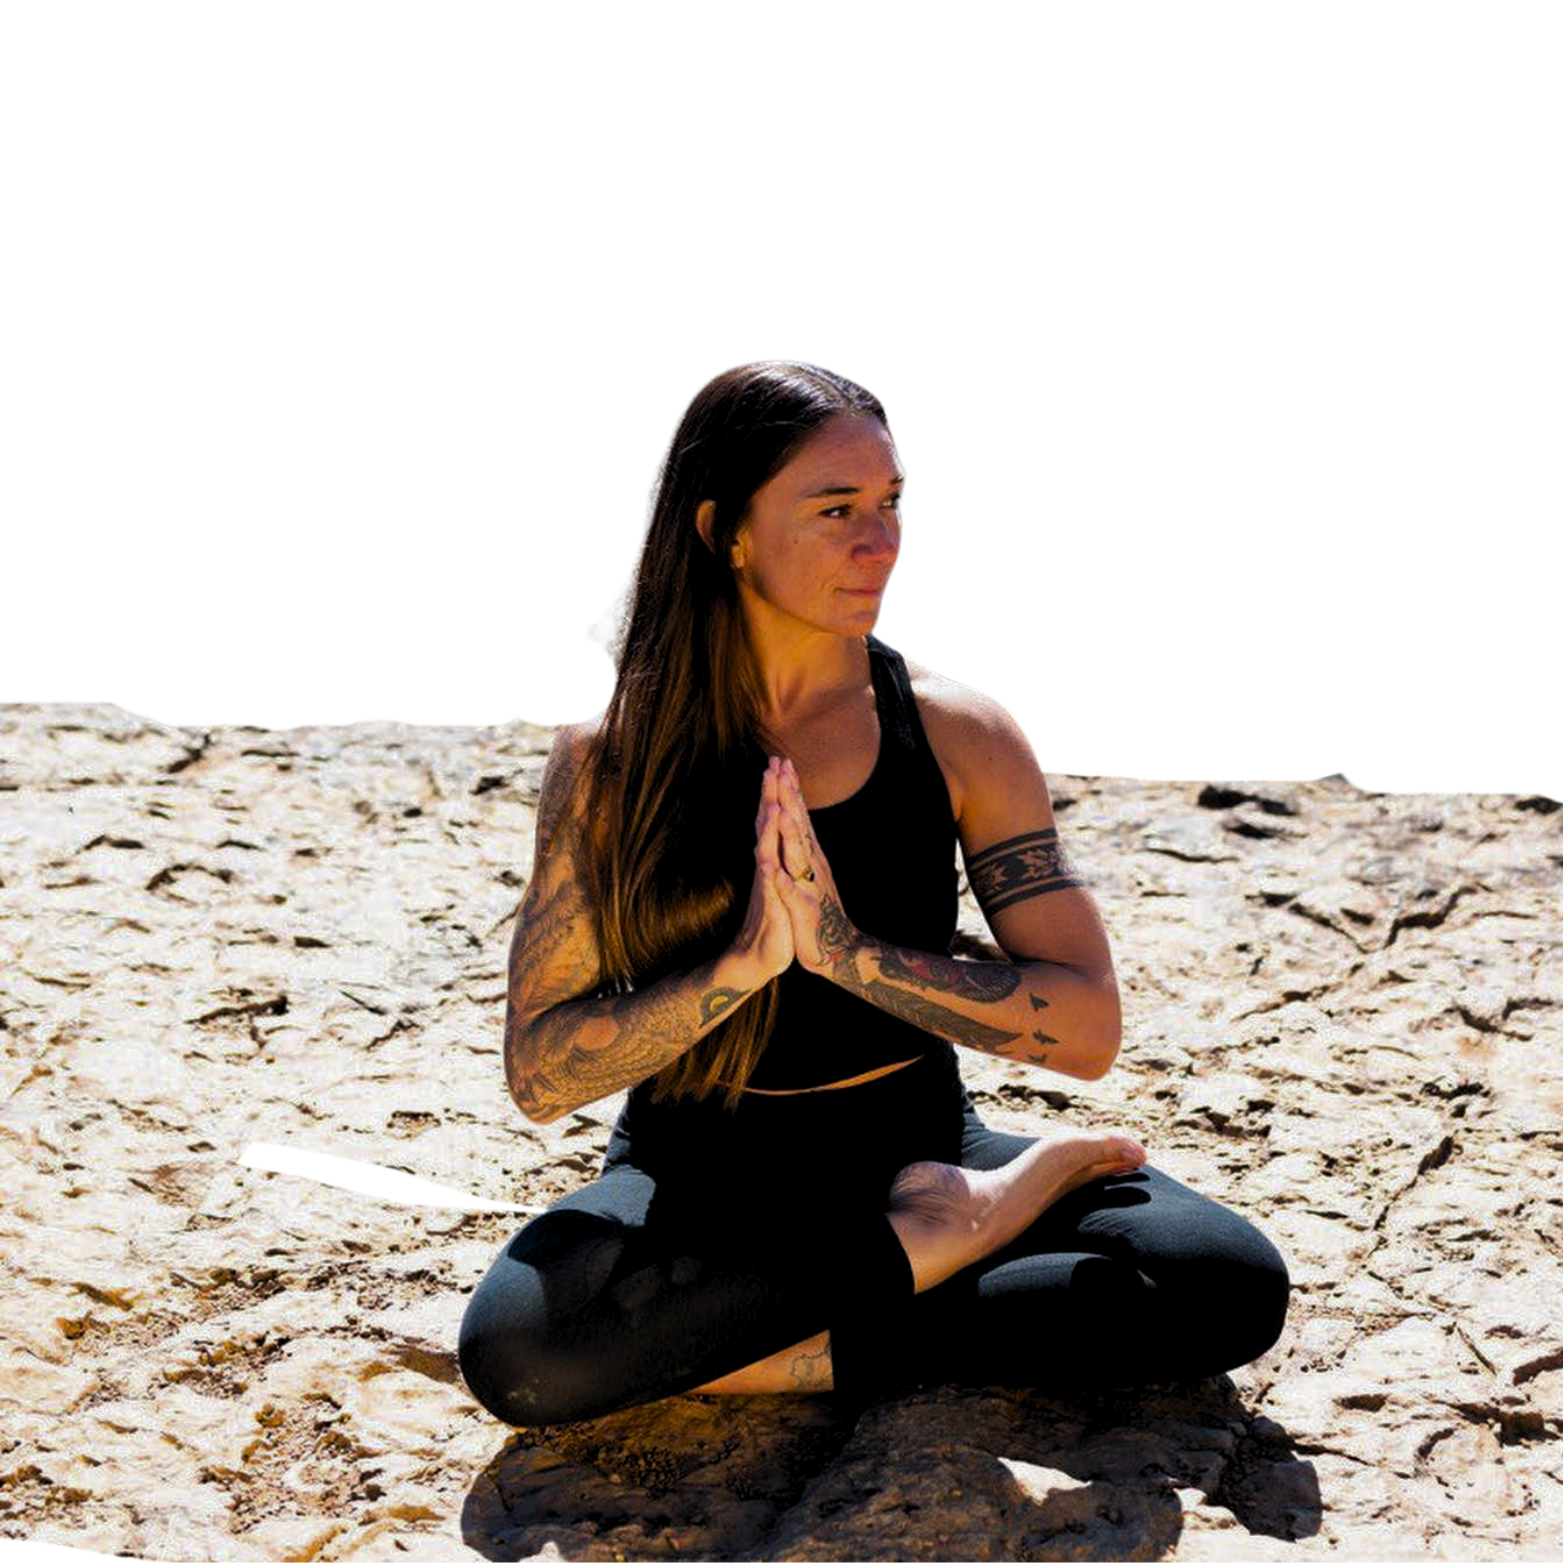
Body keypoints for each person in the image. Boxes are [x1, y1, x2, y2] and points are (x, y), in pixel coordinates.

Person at [457, 360, 1290, 1426]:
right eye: (837, 509)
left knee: (1221, 1277)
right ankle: (941, 1246)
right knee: (520, 1352)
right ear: (725, 531)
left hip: (918, 1147)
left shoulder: (958, 731)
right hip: (696, 1176)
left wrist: (849, 955)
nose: (881, 543)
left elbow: (1086, 1032)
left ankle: (836, 1296)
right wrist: (742, 967)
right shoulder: (610, 761)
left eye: (892, 503)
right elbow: (539, 1071)